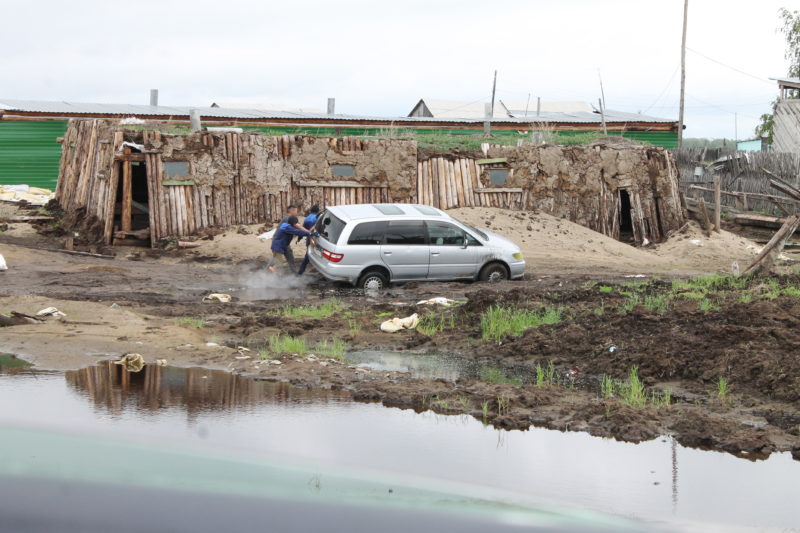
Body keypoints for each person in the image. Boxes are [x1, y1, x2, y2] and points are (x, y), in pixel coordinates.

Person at [297, 205, 320, 275]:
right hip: (316, 239)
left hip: (309, 238)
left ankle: (302, 270)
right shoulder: (318, 217)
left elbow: (303, 229)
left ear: (311, 210)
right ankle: (301, 271)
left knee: (309, 253)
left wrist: (299, 237)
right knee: (312, 255)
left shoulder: (307, 218)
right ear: (318, 211)